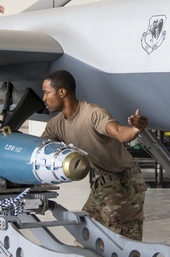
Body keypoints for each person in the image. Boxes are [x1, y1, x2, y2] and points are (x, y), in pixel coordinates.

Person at [41, 70, 148, 240]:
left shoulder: (92, 114)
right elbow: (39, 149)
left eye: (47, 92)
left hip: (124, 183)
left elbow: (120, 132)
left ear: (62, 92)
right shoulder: (56, 124)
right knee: (85, 237)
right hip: (101, 183)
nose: (44, 98)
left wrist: (135, 129)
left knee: (124, 246)